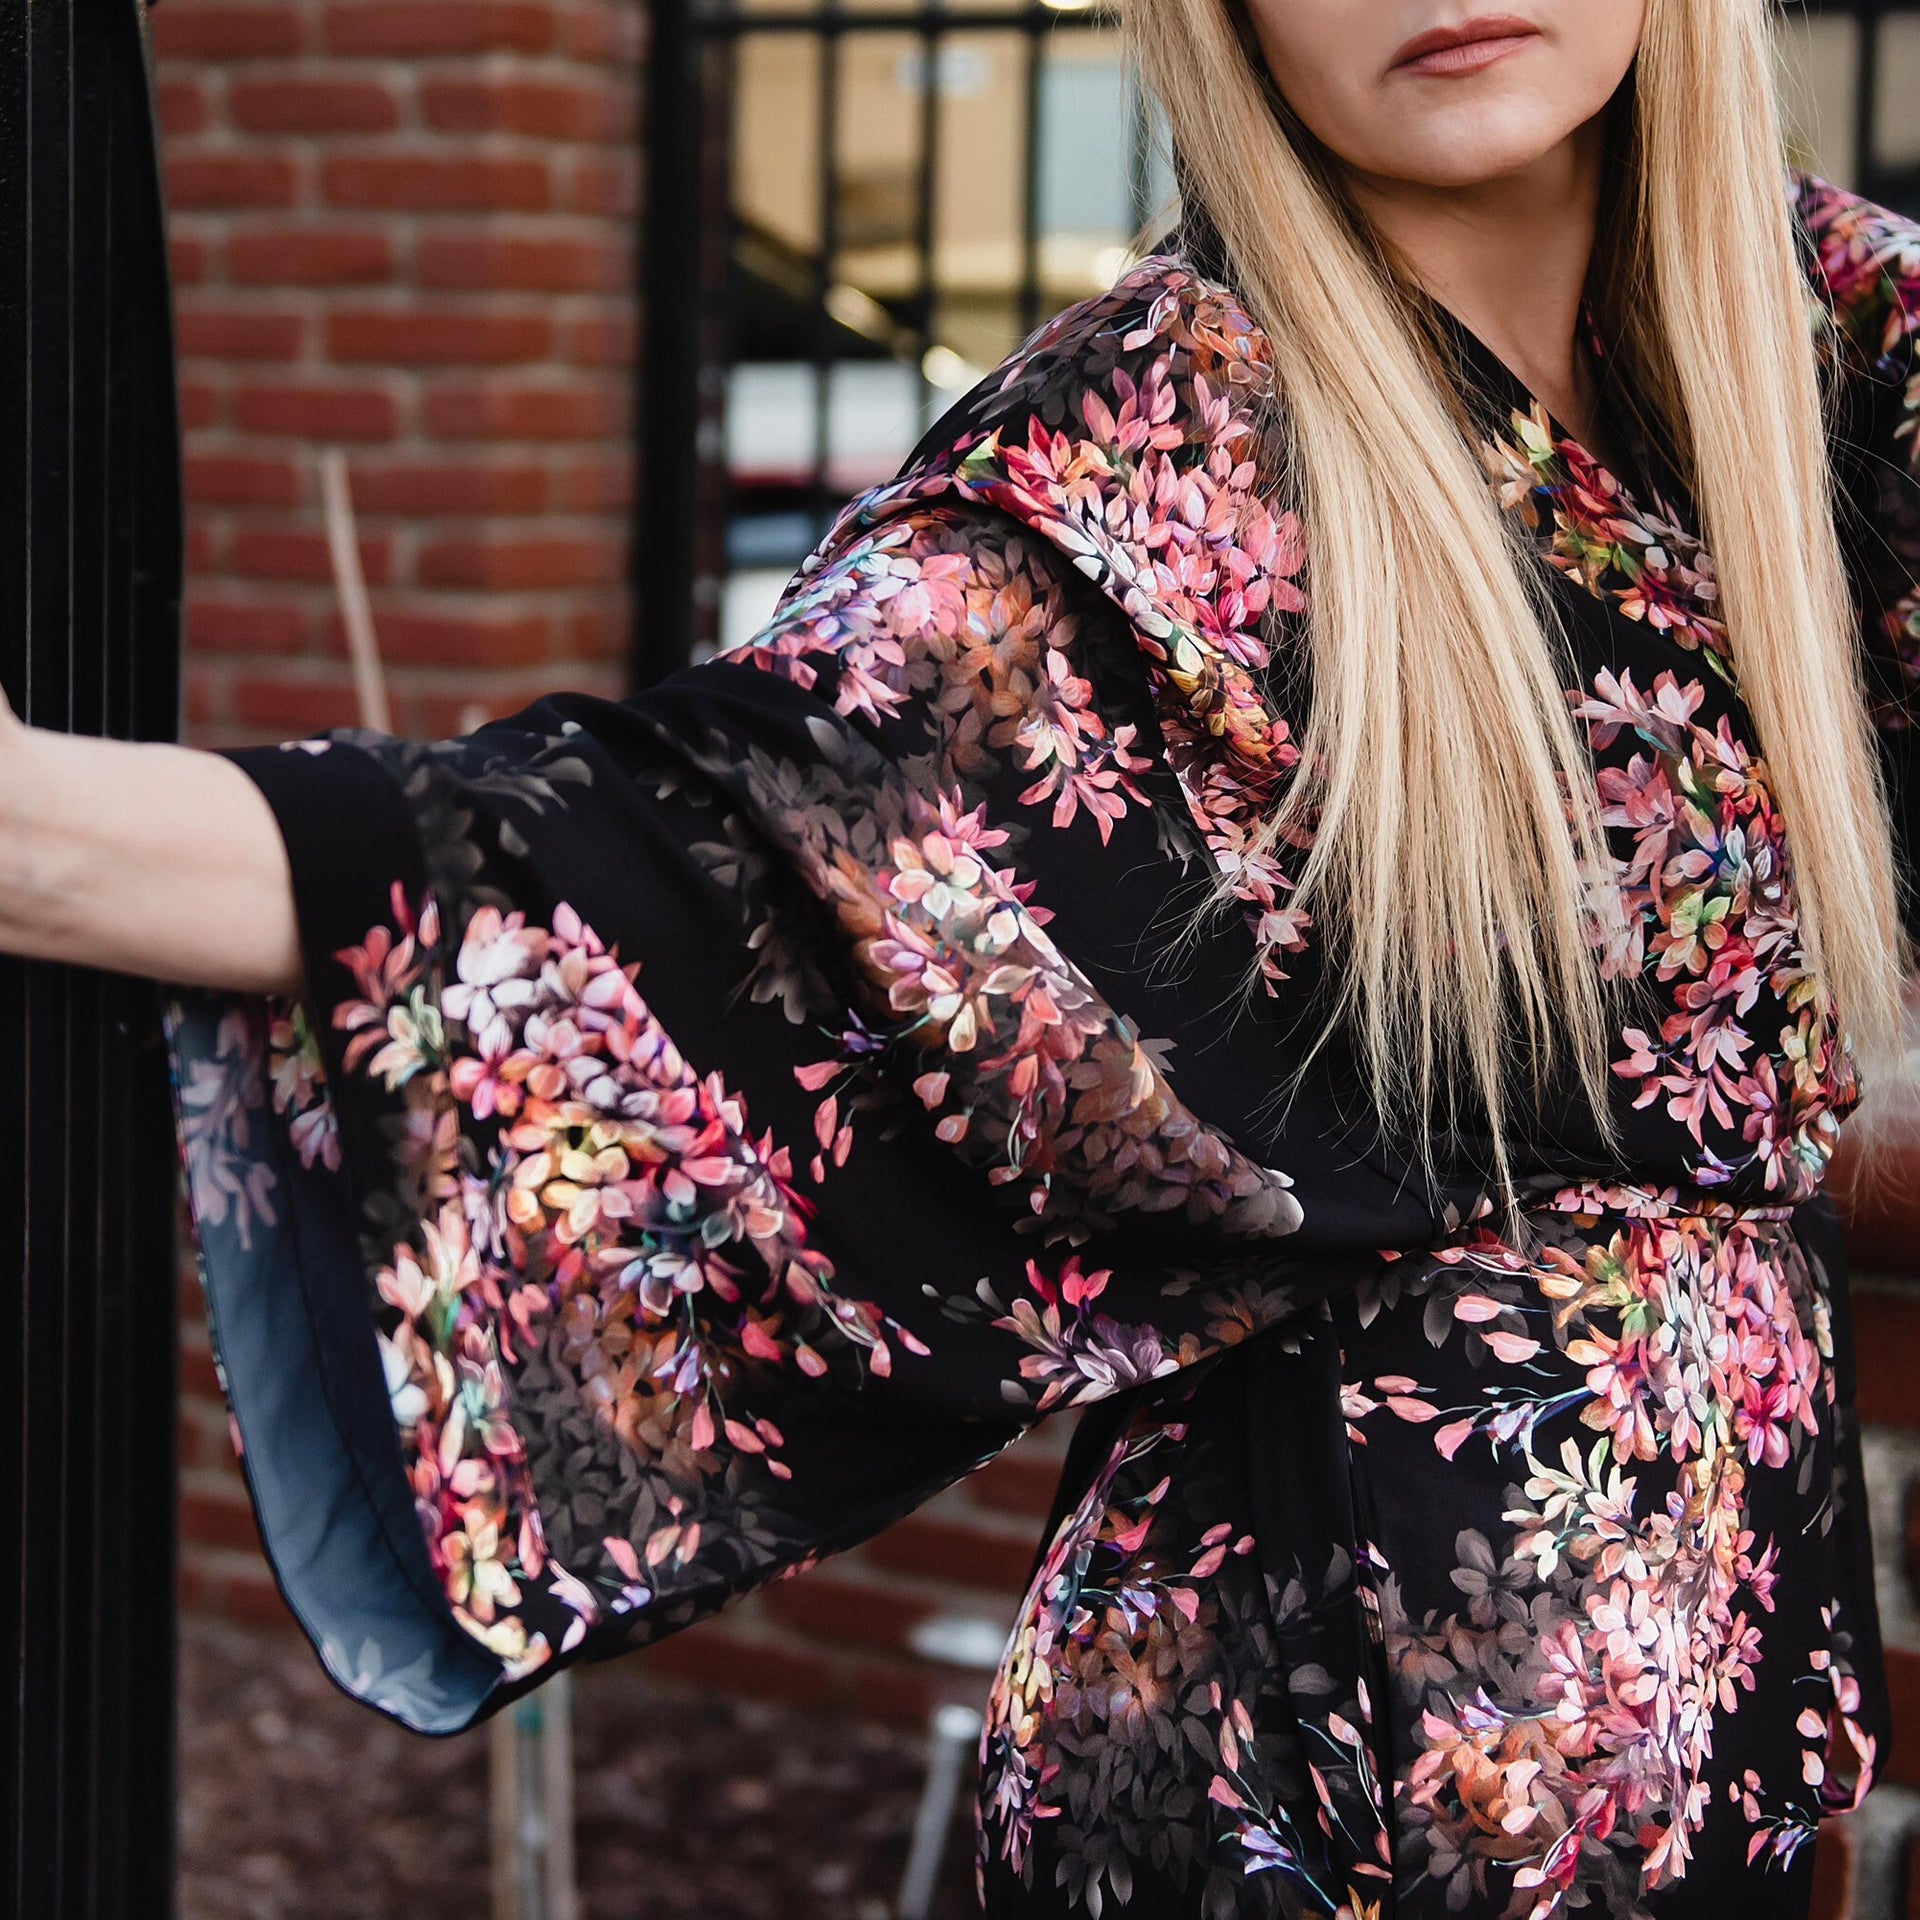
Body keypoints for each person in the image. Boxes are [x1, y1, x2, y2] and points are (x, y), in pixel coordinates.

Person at [3, 1, 1918, 1912]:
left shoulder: (1824, 349)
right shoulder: (1162, 435)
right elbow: (708, 865)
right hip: (1312, 1760)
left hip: (1718, 1717)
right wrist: (46, 838)